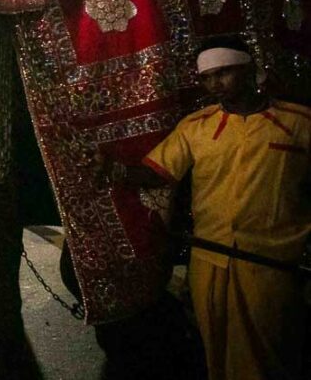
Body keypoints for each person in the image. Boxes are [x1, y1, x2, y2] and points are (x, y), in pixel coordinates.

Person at [97, 36, 310, 380]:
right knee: (215, 353)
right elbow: (157, 172)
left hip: (270, 263)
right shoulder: (196, 126)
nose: (216, 84)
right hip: (209, 259)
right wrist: (115, 170)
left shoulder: (298, 123)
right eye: (207, 78)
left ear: (248, 68)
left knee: (269, 357)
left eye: (224, 73)